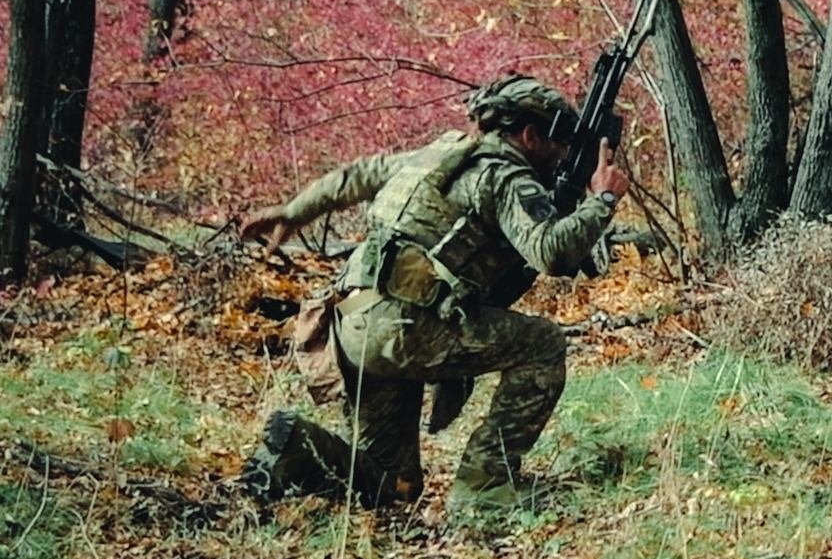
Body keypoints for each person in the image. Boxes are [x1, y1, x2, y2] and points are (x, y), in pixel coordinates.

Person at [236, 74, 628, 511]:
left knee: (394, 485)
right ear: (530, 135)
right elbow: (550, 253)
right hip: (405, 329)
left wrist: (293, 211)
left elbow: (356, 176)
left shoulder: (437, 156)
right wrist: (602, 202)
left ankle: (296, 448)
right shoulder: (504, 176)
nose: (562, 157)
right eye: (559, 144)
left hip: (351, 323)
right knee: (544, 344)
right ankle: (484, 487)